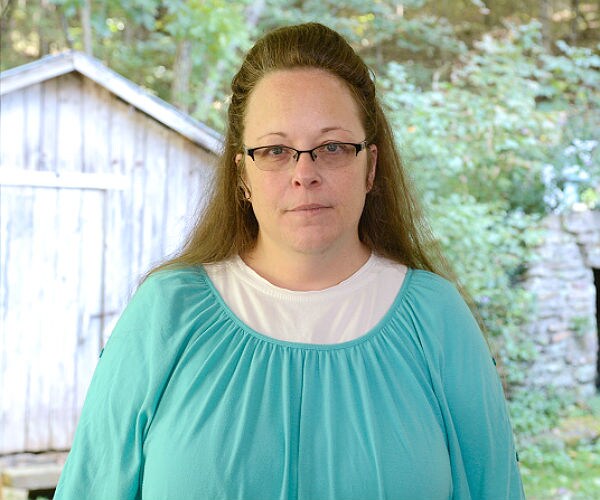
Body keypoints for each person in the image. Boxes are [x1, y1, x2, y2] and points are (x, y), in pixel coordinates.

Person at [55, 22, 525, 499]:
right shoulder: (166, 314)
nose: (305, 173)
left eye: (333, 147)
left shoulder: (437, 319)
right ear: (242, 175)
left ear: (371, 166)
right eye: (276, 150)